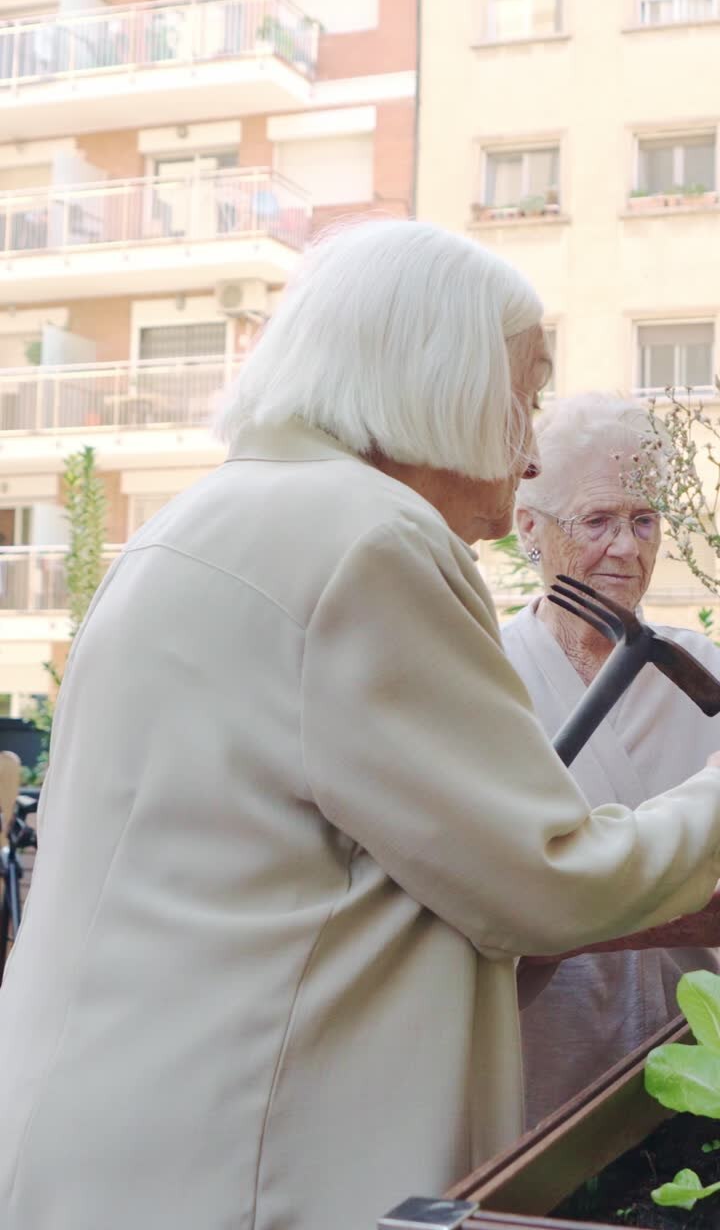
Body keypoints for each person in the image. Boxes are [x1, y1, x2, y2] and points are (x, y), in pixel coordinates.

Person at [2, 223, 720, 1230]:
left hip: (118, 1146)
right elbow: (550, 875)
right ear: (434, 379)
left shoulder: (199, 520)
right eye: (523, 392)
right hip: (248, 1166)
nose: (525, 450)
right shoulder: (367, 540)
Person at [506, 392, 720, 1128]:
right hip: (548, 1078)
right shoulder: (485, 679)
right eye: (597, 521)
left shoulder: (701, 670)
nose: (626, 548)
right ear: (529, 529)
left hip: (697, 1064)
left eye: (644, 520)